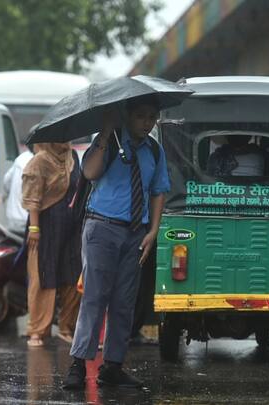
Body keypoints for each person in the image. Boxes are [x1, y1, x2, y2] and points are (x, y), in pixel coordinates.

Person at [62, 95, 170, 390]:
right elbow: (89, 172)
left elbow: (159, 190)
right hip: (102, 228)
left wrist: (154, 230)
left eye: (152, 117)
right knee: (95, 298)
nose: (147, 123)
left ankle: (113, 365)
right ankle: (78, 364)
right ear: (127, 116)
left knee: (124, 302)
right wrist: (107, 132)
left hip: (136, 233)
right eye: (141, 116)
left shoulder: (155, 152)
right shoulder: (109, 141)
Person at [21, 143, 82, 347]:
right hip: (44, 228)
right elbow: (32, 197)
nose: (65, 140)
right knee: (42, 277)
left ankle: (66, 327)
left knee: (73, 276)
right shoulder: (40, 161)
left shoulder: (72, 157)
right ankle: (38, 331)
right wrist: (34, 229)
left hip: (71, 228)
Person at [3, 146, 34, 235]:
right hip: (28, 218)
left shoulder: (20, 158)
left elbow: (6, 181)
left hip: (12, 216)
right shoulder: (40, 161)